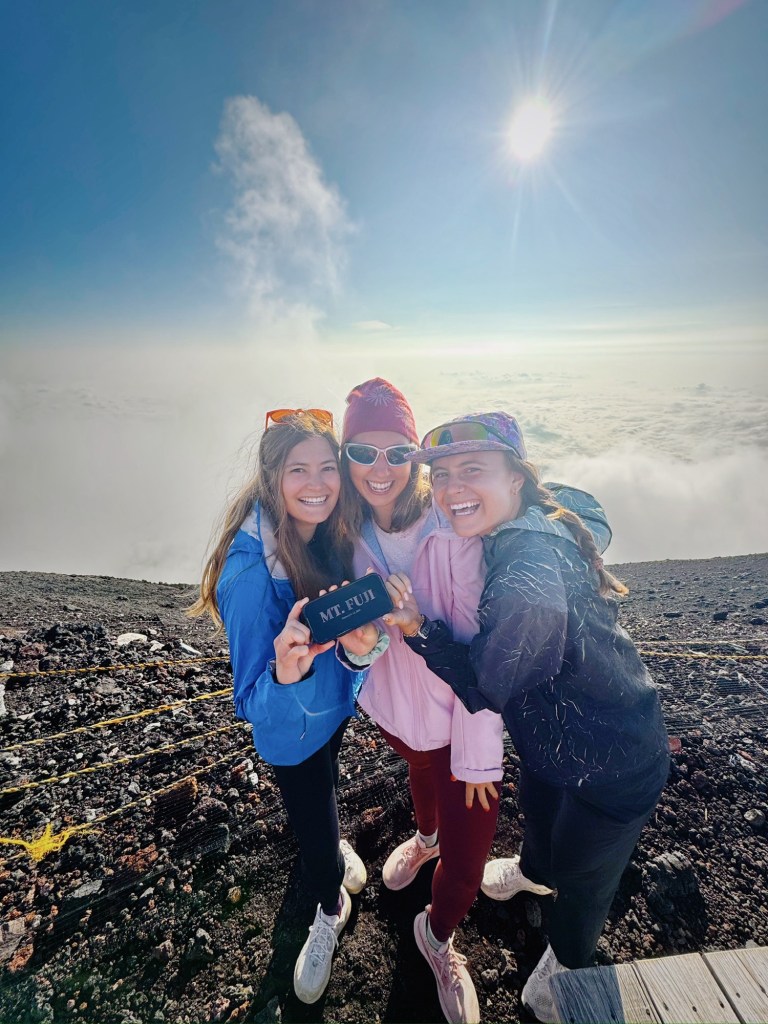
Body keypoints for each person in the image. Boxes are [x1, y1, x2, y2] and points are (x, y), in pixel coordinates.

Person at [384, 412, 670, 1024]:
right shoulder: (537, 513)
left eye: (474, 470)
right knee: (540, 823)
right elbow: (586, 509)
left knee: (586, 884)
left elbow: (484, 686)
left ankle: (563, 970)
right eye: (442, 475)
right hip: (554, 744)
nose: (453, 489)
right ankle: (532, 874)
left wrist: (417, 628)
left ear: (515, 477)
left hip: (615, 768)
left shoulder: (525, 586)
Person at [189, 409, 388, 1006]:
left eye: (328, 467)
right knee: (314, 827)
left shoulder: (325, 534)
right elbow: (251, 701)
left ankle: (333, 852)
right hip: (290, 735)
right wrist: (285, 673)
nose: (318, 483)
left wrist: (361, 649)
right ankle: (330, 906)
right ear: (271, 476)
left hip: (331, 712)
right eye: (299, 469)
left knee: (329, 788)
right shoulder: (251, 577)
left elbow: (348, 650)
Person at [340, 379, 505, 1024]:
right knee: (419, 773)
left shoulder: (453, 531)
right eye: (362, 452)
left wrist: (480, 759)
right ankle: (424, 837)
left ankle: (436, 937)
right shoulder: (344, 532)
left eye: (397, 451)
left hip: (462, 726)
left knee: (466, 871)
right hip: (398, 715)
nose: (380, 468)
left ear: (416, 456)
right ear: (346, 458)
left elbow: (479, 654)